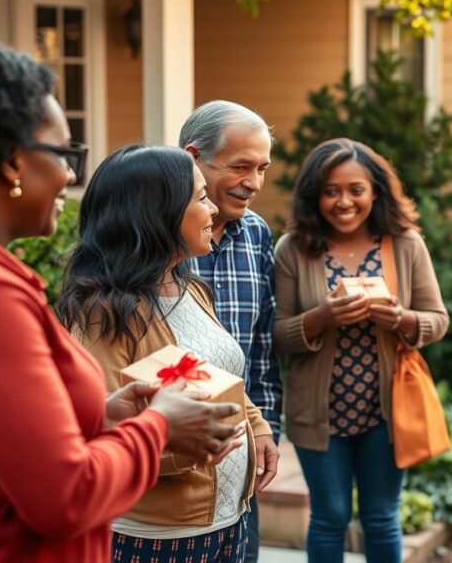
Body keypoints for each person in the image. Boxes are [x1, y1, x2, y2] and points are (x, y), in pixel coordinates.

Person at [0, 38, 240, 562]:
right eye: (63, 154)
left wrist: (103, 419)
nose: (71, 176)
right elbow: (64, 496)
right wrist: (158, 429)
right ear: (13, 162)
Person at [57, 144, 277, 563]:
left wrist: (258, 428)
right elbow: (100, 438)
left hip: (230, 519)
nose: (213, 209)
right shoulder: (103, 314)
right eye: (200, 198)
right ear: (156, 214)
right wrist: (194, 447)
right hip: (158, 537)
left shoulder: (191, 288)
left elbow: (220, 377)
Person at [274, 138, 449, 563]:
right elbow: (276, 335)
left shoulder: (404, 244)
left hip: (386, 411)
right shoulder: (293, 249)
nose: (344, 201)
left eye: (356, 189)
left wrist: (402, 320)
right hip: (318, 412)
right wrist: (322, 317)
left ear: (375, 191)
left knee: (381, 516)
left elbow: (438, 319)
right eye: (331, 191)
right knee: (329, 516)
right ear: (314, 195)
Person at [179, 101, 281, 561]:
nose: (254, 183)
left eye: (262, 168)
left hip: (241, 455)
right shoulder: (155, 239)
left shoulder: (257, 234)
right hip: (170, 456)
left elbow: (260, 348)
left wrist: (264, 429)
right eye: (241, 166)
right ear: (193, 157)